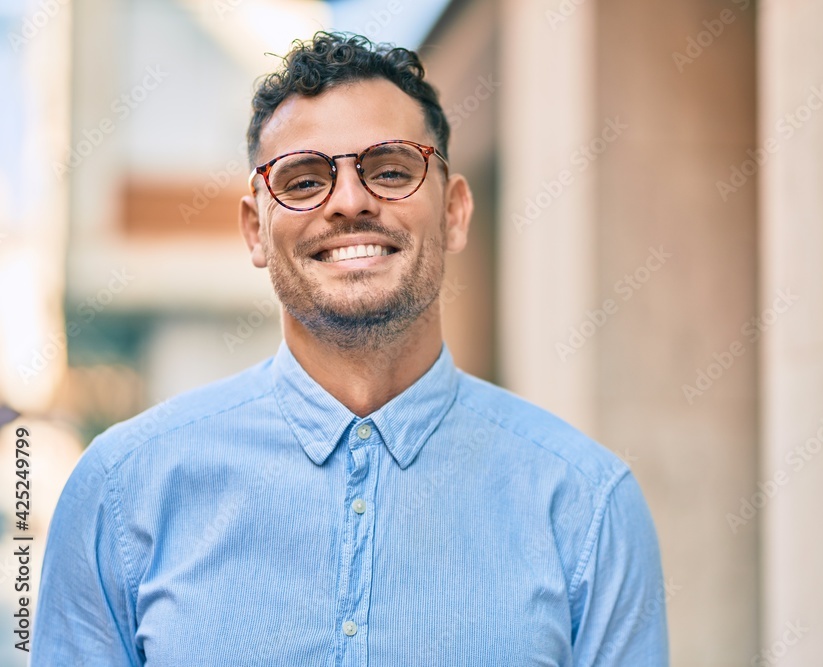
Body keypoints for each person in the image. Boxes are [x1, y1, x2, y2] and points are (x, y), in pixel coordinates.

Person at [34, 32, 669, 666]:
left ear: (454, 212)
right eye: (304, 181)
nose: (349, 202)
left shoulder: (587, 505)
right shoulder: (121, 489)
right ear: (256, 231)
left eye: (391, 171)